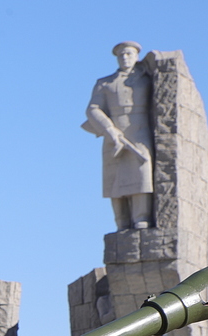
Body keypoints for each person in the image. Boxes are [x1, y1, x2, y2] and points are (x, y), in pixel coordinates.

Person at [83, 41, 154, 232]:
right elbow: (93, 109)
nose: (125, 58)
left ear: (137, 56)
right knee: (115, 181)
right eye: (121, 55)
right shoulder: (105, 83)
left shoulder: (146, 79)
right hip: (113, 133)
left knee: (142, 172)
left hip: (139, 130)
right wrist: (109, 129)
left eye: (129, 54)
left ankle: (142, 217)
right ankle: (122, 221)